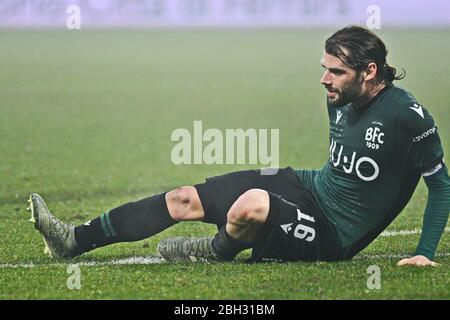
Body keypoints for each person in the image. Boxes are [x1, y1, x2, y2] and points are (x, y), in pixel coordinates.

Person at [28, 25, 449, 266]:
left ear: (369, 71)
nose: (324, 80)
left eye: (335, 72)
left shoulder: (406, 117)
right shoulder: (337, 97)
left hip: (334, 234)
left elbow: (441, 186)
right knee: (182, 198)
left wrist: (425, 252)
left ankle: (214, 250)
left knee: (250, 205)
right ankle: (72, 240)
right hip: (312, 188)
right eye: (324, 69)